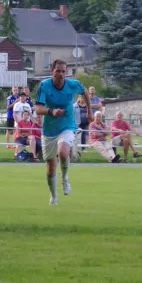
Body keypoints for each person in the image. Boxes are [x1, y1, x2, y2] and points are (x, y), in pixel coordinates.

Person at [35, 60, 92, 205]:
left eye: (63, 72)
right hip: (49, 130)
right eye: (58, 71)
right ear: (51, 71)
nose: (61, 74)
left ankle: (65, 178)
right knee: (50, 166)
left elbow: (85, 91)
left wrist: (90, 112)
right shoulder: (44, 86)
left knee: (63, 152)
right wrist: (51, 111)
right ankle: (54, 196)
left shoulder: (72, 84)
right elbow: (38, 109)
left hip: (67, 125)